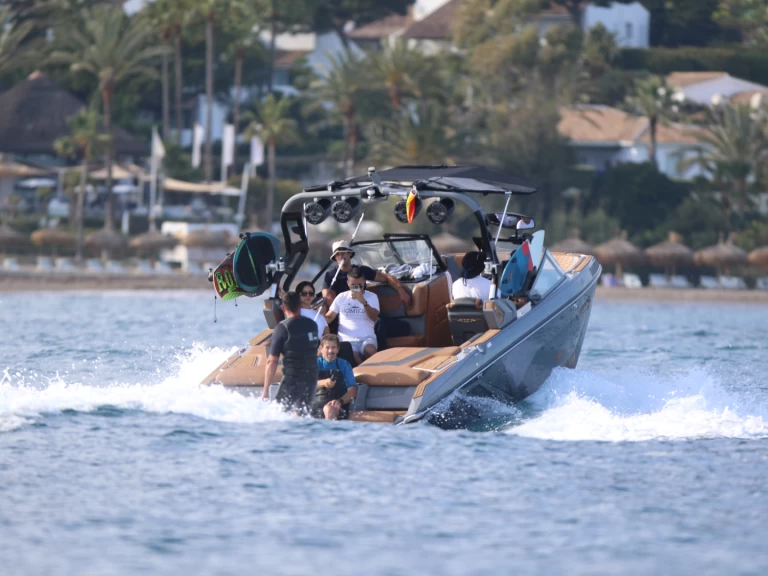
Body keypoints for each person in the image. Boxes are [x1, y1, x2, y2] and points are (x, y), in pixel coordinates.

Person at [262, 291, 320, 414]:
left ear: (283, 308)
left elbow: (272, 361)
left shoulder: (282, 328)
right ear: (300, 306)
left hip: (292, 379)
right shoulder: (312, 325)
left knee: (279, 414)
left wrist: (265, 391)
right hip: (311, 378)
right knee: (302, 414)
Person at [322, 240, 410, 310]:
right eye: (337, 254)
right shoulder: (330, 276)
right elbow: (329, 299)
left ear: (350, 254)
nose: (340, 256)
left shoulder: (362, 270)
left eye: (343, 253)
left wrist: (401, 291)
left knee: (389, 325)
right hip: (343, 312)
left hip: (364, 309)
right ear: (335, 257)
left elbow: (386, 277)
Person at [325, 266, 380, 364]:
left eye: (359, 285)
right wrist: (317, 315)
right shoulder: (341, 297)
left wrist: (364, 302)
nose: (357, 288)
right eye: (353, 285)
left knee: (370, 350)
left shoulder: (372, 297)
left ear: (364, 282)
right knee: (352, 354)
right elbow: (329, 318)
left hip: (366, 337)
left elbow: (374, 317)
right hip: (346, 340)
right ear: (348, 283)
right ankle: (363, 372)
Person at [311, 334, 358, 420]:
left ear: (338, 349)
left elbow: (353, 391)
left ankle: (328, 432)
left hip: (337, 405)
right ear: (321, 349)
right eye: (327, 347)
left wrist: (340, 401)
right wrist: (323, 383)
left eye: (333, 347)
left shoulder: (344, 365)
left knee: (329, 409)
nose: (330, 351)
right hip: (315, 404)